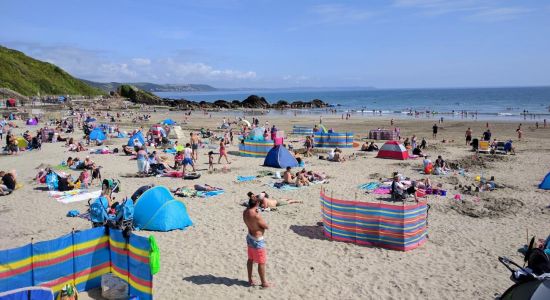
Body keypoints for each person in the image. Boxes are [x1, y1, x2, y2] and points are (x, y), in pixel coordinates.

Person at [243, 194, 270, 288]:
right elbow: (265, 226)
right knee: (261, 262)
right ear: (257, 203)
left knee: (250, 259)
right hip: (257, 240)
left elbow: (251, 218)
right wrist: (258, 214)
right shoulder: (256, 215)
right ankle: (264, 283)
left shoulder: (245, 211)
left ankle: (250, 280)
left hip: (249, 237)